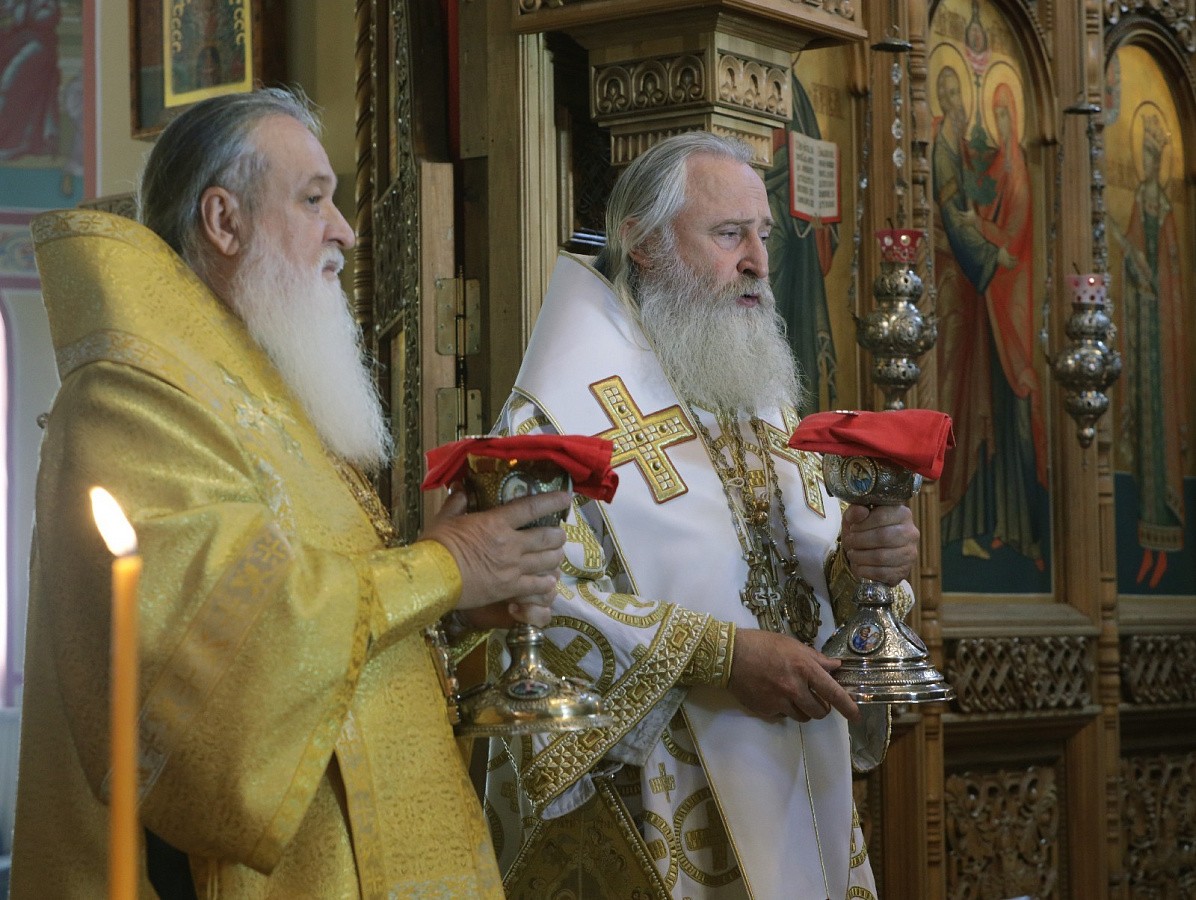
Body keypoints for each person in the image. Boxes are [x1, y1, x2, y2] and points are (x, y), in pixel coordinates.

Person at [10, 87, 568, 898]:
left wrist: (448, 610)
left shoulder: (260, 392)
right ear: (223, 220)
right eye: (313, 200)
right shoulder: (128, 401)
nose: (345, 231)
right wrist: (444, 567)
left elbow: (331, 649)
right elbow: (224, 660)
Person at [484, 131, 920, 898]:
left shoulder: (761, 401)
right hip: (655, 802)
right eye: (728, 235)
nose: (758, 261)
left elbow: (803, 591)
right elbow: (527, 607)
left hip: (799, 790)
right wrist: (723, 657)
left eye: (763, 235)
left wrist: (866, 569)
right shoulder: (556, 419)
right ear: (643, 243)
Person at [932, 64, 1046, 576]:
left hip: (986, 300)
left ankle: (978, 522)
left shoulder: (991, 160)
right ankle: (955, 517)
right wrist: (987, 253)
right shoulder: (943, 147)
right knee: (956, 396)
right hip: (958, 292)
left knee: (977, 402)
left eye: (1005, 114)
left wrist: (987, 245)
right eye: (947, 92)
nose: (957, 102)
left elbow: (992, 217)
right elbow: (956, 216)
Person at [1117, 112, 1187, 589]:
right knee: (1143, 442)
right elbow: (1129, 268)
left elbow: (1173, 282)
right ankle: (1147, 547)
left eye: (1150, 154)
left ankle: (1166, 550)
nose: (1145, 161)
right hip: (1140, 343)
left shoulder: (1164, 211)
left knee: (1161, 445)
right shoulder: (1138, 204)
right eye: (1141, 153)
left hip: (1162, 347)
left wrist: (1150, 277)